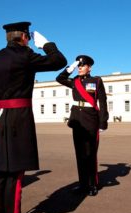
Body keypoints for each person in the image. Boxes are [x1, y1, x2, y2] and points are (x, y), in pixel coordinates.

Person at [0, 22, 67, 213]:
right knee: (15, 176)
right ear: (25, 37)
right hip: (19, 119)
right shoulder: (25, 56)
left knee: (0, 175)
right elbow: (59, 61)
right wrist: (47, 45)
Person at [56, 55, 109, 197]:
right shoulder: (74, 81)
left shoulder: (96, 81)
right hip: (77, 120)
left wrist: (103, 121)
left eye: (82, 65)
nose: (79, 67)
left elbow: (103, 101)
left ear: (89, 67)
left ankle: (92, 185)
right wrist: (70, 68)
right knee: (79, 154)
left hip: (91, 120)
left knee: (90, 154)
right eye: (78, 65)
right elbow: (59, 78)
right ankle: (83, 184)